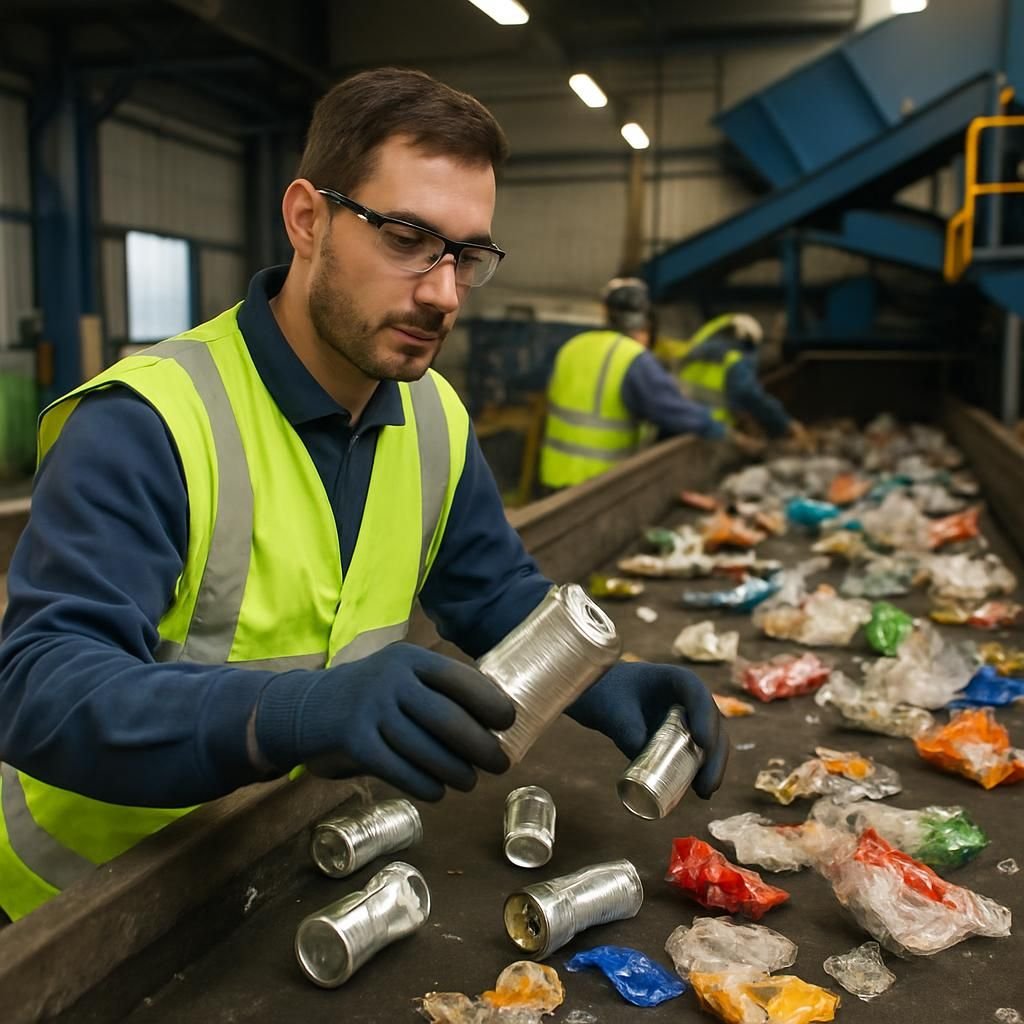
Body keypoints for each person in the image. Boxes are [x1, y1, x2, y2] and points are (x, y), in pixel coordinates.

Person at [0, 68, 728, 922]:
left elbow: (489, 590)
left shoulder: (432, 416)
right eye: (407, 238)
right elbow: (42, 689)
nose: (443, 292)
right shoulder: (150, 422)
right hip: (83, 909)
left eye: (467, 255)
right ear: (308, 218)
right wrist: (293, 713)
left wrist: (601, 680)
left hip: (278, 874)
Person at [538, 277, 737, 490]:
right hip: (598, 483)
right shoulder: (633, 357)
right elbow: (674, 411)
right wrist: (718, 429)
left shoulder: (573, 346)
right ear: (644, 323)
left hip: (553, 475)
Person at [655, 313, 810, 447]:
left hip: (678, 425)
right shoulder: (734, 358)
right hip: (713, 431)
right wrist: (784, 424)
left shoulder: (694, 351)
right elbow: (748, 394)